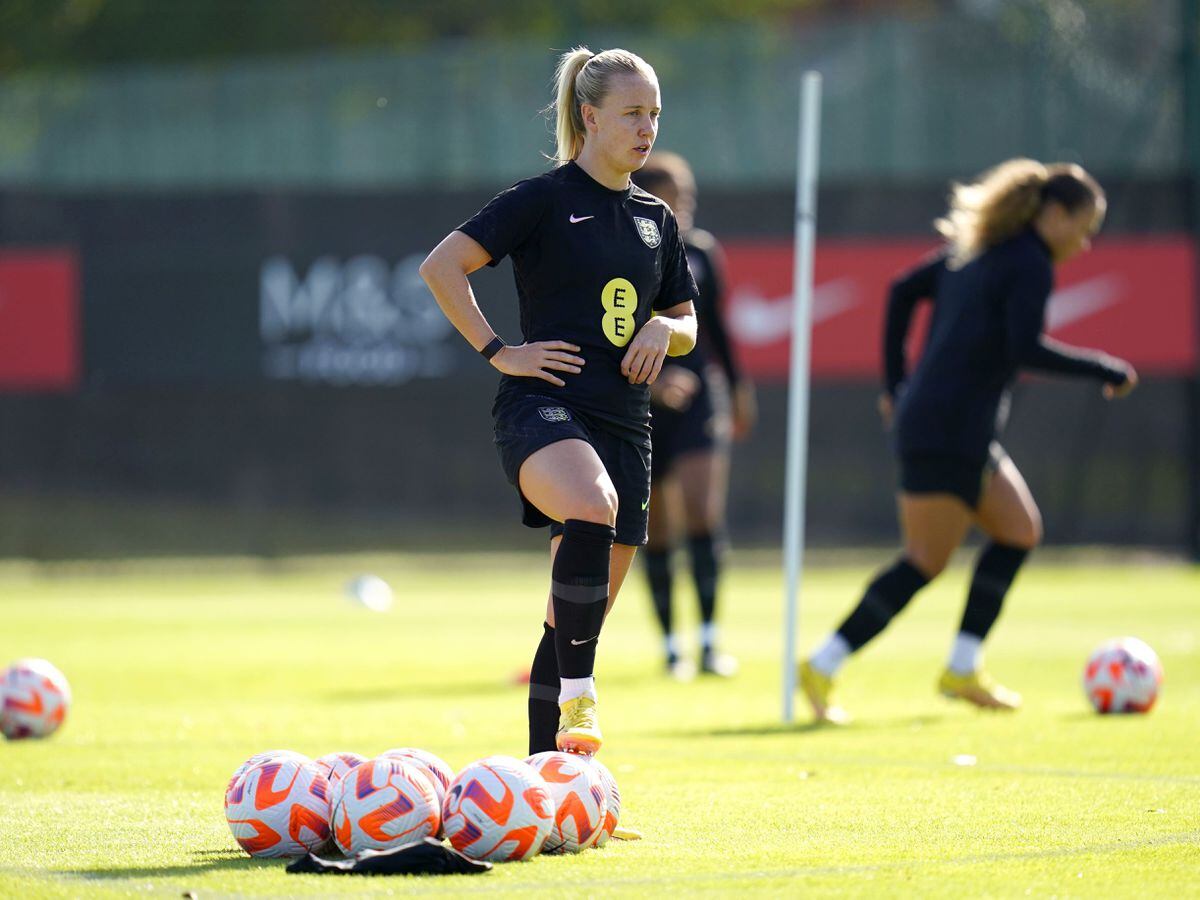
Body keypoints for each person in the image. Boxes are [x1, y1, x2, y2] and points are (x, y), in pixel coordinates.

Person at [419, 47, 697, 756]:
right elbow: (442, 266)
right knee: (590, 504)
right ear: (590, 114)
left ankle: (544, 783)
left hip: (626, 425)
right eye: (632, 112)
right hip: (544, 410)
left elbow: (688, 323)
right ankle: (582, 703)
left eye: (655, 114)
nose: (647, 127)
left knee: (570, 621)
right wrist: (498, 351)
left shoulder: (655, 219)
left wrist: (666, 328)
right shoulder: (542, 199)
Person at [798, 158, 1137, 723]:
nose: (1086, 243)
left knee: (1018, 531)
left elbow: (903, 290)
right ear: (1055, 214)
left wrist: (894, 384)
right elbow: (1024, 348)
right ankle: (824, 663)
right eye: (1085, 227)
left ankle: (961, 667)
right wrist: (1104, 368)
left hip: (949, 425)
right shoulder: (1027, 260)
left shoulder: (982, 250)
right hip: (948, 428)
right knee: (925, 561)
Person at [630, 153, 756, 679]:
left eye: (687, 196)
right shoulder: (626, 251)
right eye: (671, 195)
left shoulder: (702, 252)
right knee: (657, 527)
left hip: (702, 395)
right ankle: (671, 648)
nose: (682, 205)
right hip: (640, 397)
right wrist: (653, 381)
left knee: (704, 512)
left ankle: (708, 643)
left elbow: (717, 328)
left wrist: (739, 385)